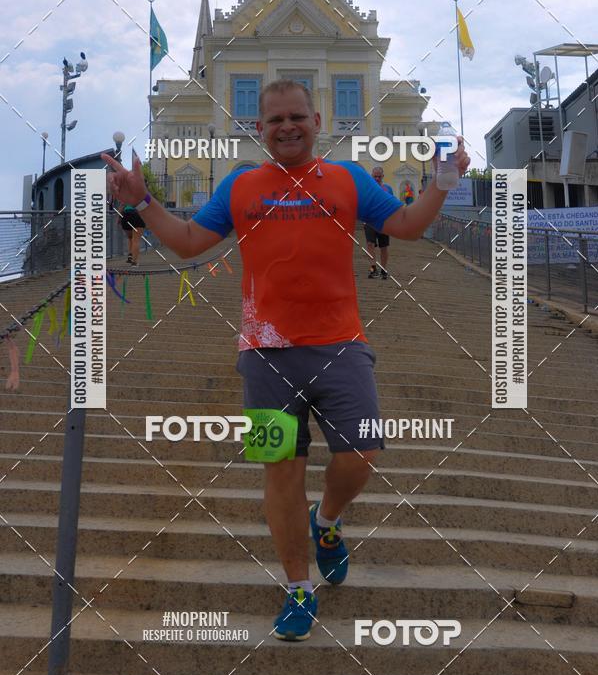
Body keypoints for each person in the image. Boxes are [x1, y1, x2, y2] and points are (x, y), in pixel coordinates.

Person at [102, 80, 470, 642]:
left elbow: (407, 227)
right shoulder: (241, 185)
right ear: (259, 128)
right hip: (265, 353)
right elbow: (189, 241)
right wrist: (143, 202)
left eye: (297, 116)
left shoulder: (346, 179)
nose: (287, 126)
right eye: (275, 119)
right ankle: (298, 588)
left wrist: (444, 183)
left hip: (341, 343)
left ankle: (327, 522)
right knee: (282, 472)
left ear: (317, 119)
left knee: (363, 451)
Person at [364, 166, 394, 280]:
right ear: (372, 176)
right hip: (370, 221)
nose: (377, 178)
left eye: (379, 176)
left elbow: (392, 204)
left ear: (383, 176)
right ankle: (373, 269)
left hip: (383, 222)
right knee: (370, 245)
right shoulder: (367, 188)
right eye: (375, 176)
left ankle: (383, 270)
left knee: (384, 247)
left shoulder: (388, 189)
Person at [119, 202, 145, 266]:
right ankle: (134, 262)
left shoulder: (127, 194)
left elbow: (122, 205)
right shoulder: (145, 194)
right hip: (137, 214)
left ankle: (130, 255)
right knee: (136, 240)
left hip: (126, 215)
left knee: (130, 237)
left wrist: (119, 219)